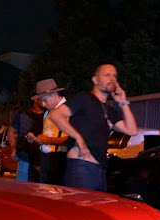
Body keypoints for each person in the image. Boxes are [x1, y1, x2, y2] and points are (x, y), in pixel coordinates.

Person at [49, 64, 137, 192]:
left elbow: (132, 130)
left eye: (114, 76)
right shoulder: (84, 98)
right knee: (82, 211)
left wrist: (123, 102)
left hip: (100, 170)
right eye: (107, 75)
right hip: (82, 167)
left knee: (95, 211)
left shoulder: (109, 110)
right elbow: (56, 115)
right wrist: (78, 138)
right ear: (95, 80)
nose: (112, 78)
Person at [30, 79, 69, 185]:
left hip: (58, 159)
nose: (43, 104)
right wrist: (38, 139)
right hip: (46, 158)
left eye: (44, 100)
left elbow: (70, 140)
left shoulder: (67, 110)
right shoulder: (48, 112)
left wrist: (47, 140)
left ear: (53, 94)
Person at [8, 98, 45, 182]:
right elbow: (11, 131)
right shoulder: (23, 114)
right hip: (25, 156)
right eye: (42, 97)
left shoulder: (48, 114)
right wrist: (13, 149)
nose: (45, 100)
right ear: (35, 99)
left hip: (42, 157)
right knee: (23, 186)